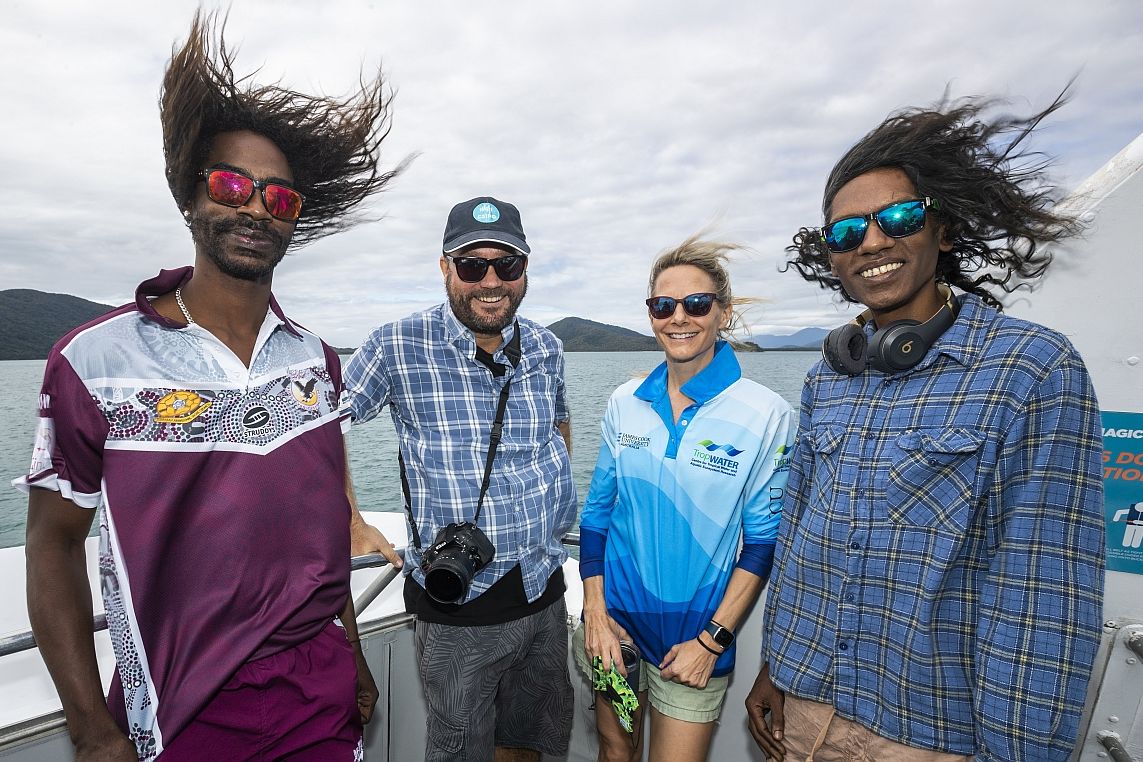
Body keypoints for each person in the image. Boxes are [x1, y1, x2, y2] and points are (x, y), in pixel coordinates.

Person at [16, 11, 405, 759]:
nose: (256, 206)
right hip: (177, 711)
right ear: (192, 195)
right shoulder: (93, 361)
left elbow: (325, 526)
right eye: (233, 184)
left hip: (317, 700)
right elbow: (52, 547)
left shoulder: (315, 363)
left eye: (280, 197)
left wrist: (353, 656)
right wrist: (92, 731)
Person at [747, 93, 1105, 762]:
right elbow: (800, 541)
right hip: (808, 709)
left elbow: (1040, 605)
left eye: (899, 218)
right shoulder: (828, 377)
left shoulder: (1029, 370)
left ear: (941, 230)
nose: (872, 241)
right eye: (846, 232)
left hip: (930, 735)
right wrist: (775, 665)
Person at [341, 196, 577, 762]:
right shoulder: (398, 344)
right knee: (459, 751)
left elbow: (560, 422)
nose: (490, 281)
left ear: (525, 270)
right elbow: (324, 427)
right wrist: (352, 520)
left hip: (542, 585)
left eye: (507, 265)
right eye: (472, 266)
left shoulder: (546, 346)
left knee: (528, 745)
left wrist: (557, 508)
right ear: (445, 267)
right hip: (457, 603)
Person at [577, 236, 795, 762]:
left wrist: (712, 641)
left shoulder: (765, 414)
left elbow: (762, 544)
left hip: (695, 638)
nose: (680, 318)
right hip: (618, 627)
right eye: (663, 305)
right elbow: (596, 516)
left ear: (722, 313)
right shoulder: (624, 402)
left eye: (696, 304)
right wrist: (595, 611)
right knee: (613, 750)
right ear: (651, 314)